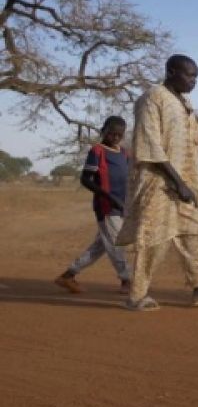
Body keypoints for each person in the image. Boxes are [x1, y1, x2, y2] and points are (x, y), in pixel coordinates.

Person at [117, 55, 198, 311]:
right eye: (189, 75)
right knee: (155, 237)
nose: (193, 81)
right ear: (171, 72)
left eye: (196, 77)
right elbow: (148, 143)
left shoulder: (184, 103)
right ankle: (137, 296)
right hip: (157, 180)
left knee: (194, 229)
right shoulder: (153, 98)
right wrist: (176, 181)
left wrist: (189, 181)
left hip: (186, 180)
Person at [54, 116, 133, 294]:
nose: (115, 137)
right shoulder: (97, 151)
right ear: (103, 130)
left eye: (119, 134)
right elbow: (85, 179)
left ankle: (68, 275)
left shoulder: (124, 153)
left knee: (100, 246)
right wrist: (108, 196)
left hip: (122, 207)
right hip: (106, 206)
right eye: (111, 133)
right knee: (116, 244)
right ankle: (127, 280)